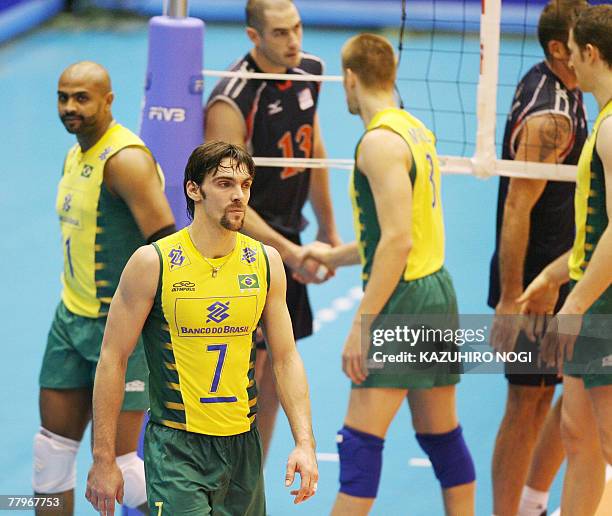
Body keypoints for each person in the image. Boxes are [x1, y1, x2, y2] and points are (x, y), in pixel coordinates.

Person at [85, 141, 318, 515]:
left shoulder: (265, 262)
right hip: (178, 447)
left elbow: (286, 358)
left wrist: (304, 442)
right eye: (225, 184)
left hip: (242, 448)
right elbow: (113, 358)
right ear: (194, 189)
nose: (238, 195)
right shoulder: (153, 263)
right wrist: (103, 458)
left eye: (245, 185)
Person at [304, 34, 475, 515]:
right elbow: (403, 233)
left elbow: (398, 242)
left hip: (404, 300)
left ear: (350, 79)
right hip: (435, 289)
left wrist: (363, 324)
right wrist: (336, 256)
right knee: (441, 437)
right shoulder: (414, 130)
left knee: (359, 446)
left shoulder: (377, 143)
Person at [33, 61, 175, 515]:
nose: (70, 107)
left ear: (108, 100)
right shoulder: (75, 154)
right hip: (70, 322)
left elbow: (166, 250)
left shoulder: (126, 161)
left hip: (119, 331)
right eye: (63, 97)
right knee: (50, 455)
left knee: (120, 468)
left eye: (82, 98)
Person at [204, 0, 340, 459]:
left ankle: (251, 486)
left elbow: (314, 147)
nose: (294, 41)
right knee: (245, 375)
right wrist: (287, 251)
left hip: (287, 239)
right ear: (253, 37)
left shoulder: (311, 71)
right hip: (241, 247)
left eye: (297, 29)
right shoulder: (233, 98)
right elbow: (226, 203)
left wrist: (328, 228)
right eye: (280, 33)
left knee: (272, 377)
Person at [487, 1, 588, 514]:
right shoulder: (551, 116)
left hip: (564, 272)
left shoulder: (568, 86)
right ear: (558, 48)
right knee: (525, 405)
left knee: (560, 395)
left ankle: (530, 504)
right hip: (534, 283)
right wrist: (509, 299)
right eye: (581, 35)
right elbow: (516, 206)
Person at [517, 5, 612, 514]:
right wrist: (556, 273)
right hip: (593, 293)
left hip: (604, 304)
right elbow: (597, 228)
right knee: (579, 436)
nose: (568, 63)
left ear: (590, 53)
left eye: (573, 53)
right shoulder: (604, 118)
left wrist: (574, 304)